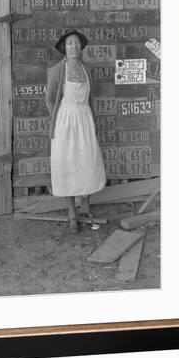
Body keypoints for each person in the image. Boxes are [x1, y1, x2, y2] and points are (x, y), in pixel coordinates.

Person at [45, 29, 106, 233]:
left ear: (81, 47)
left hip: (85, 119)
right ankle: (72, 213)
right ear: (64, 47)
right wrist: (58, 119)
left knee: (87, 162)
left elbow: (91, 99)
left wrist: (93, 122)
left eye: (77, 43)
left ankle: (85, 206)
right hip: (65, 122)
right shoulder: (56, 71)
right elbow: (50, 99)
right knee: (67, 165)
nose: (74, 47)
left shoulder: (86, 70)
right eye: (70, 43)